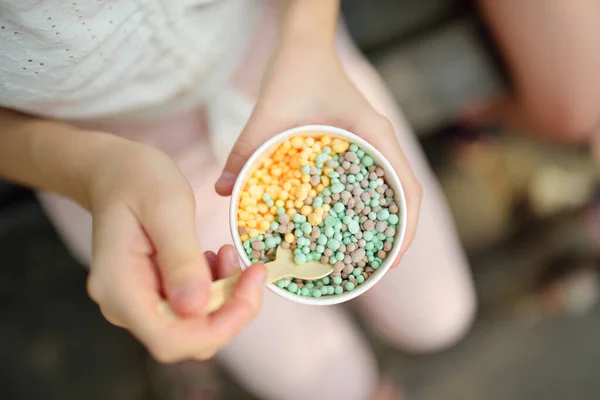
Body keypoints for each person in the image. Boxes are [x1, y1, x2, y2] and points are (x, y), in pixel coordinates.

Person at [0, 1, 476, 399]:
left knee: (439, 318)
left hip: (298, 78)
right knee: (330, 389)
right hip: (108, 157)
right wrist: (95, 173)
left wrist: (310, 41)